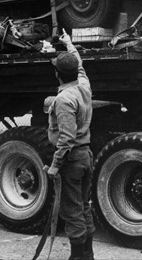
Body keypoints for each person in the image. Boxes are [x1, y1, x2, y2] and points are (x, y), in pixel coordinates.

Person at [46, 29, 95, 260]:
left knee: (72, 210)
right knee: (84, 205)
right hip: (85, 156)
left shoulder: (64, 100)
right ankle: (88, 255)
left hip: (72, 160)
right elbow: (81, 66)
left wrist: (55, 165)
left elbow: (66, 138)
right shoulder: (83, 86)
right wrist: (69, 44)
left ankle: (77, 257)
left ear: (57, 74)